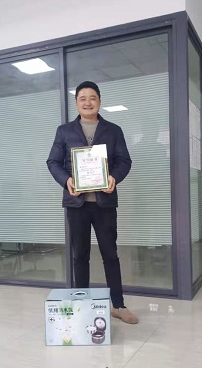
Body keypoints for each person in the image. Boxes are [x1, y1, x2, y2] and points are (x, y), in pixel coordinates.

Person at [47, 81, 138, 324]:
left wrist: (114, 177)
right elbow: (53, 162)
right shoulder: (64, 131)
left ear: (99, 101)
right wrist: (66, 180)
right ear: (77, 102)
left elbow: (124, 161)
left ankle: (118, 305)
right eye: (83, 98)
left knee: (110, 253)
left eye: (92, 98)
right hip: (76, 204)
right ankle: (82, 305)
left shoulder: (113, 130)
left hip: (104, 203)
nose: (88, 102)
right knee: (80, 255)